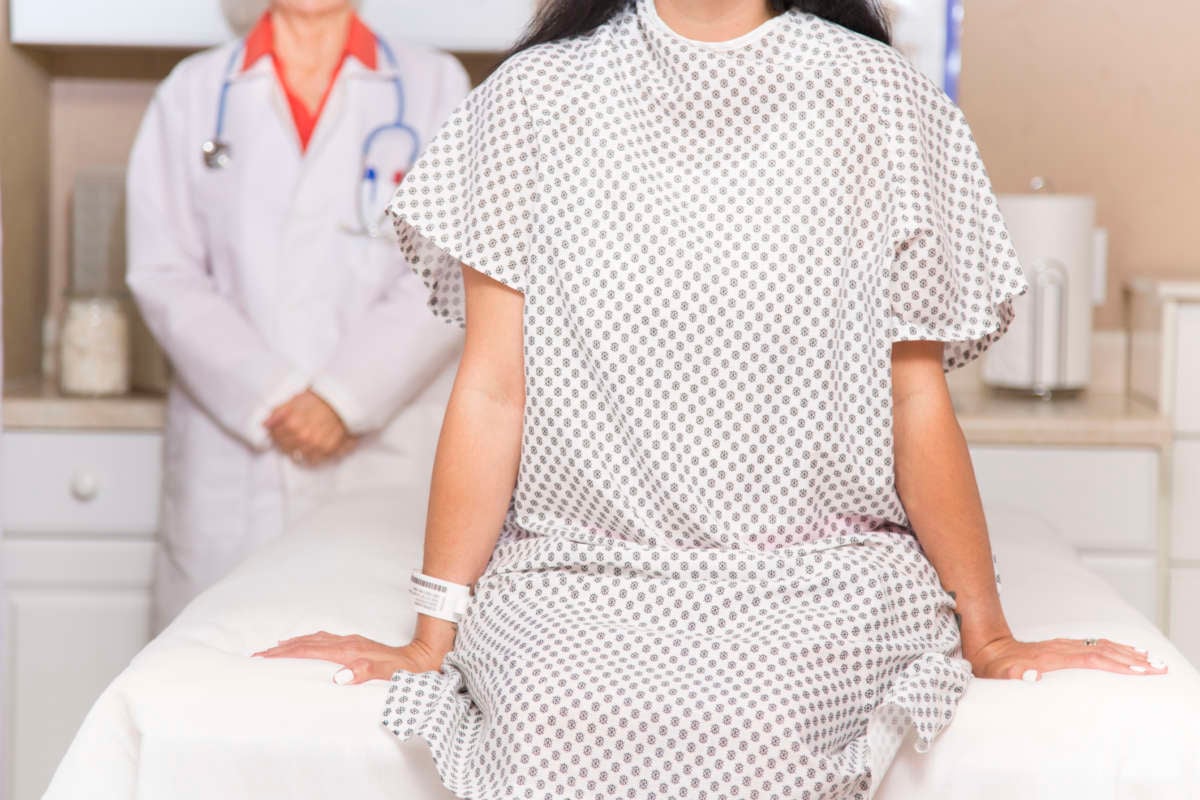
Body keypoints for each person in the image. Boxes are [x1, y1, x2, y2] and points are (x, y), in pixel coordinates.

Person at [257, 1, 1169, 797]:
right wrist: (431, 636)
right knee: (554, 718)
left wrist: (991, 633)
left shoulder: (879, 100)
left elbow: (913, 397)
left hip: (823, 572)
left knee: (757, 722)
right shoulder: (534, 100)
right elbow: (495, 389)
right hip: (581, 566)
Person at [126, 0, 469, 631]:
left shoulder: (436, 87)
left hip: (383, 446)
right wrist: (273, 393)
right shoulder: (193, 92)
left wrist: (343, 398)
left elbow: (449, 268)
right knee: (212, 678)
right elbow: (163, 271)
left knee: (366, 686)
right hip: (236, 451)